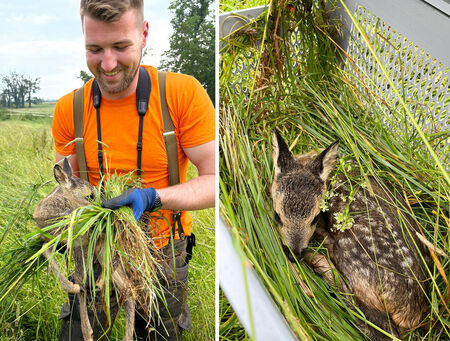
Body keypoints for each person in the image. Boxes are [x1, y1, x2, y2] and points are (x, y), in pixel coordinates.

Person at [51, 0, 215, 339]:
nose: (108, 64)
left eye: (121, 46)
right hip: (94, 253)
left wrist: (153, 197)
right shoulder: (70, 109)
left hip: (163, 256)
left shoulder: (182, 95)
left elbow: (215, 182)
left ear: (143, 34)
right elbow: (68, 185)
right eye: (94, 49)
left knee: (158, 332)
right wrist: (60, 219)